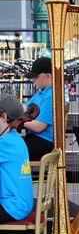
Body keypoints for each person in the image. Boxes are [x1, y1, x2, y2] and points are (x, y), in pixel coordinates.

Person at [0, 93, 33, 223]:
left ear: (3, 117)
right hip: (18, 203)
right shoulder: (13, 137)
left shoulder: (5, 144)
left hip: (13, 206)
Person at [23, 57, 53, 159]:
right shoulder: (41, 93)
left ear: (48, 76)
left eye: (35, 77)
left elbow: (38, 127)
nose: (33, 80)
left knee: (8, 148)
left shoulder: (50, 96)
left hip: (44, 141)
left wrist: (16, 120)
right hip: (35, 138)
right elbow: (24, 108)